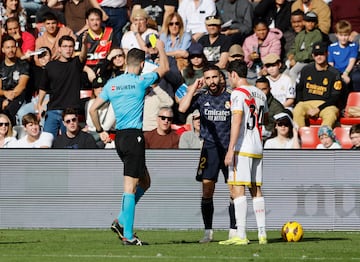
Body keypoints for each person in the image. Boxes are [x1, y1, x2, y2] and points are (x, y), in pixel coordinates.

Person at [89, 39, 169, 245]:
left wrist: (100, 130)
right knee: (130, 187)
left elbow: (92, 109)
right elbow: (165, 67)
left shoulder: (112, 84)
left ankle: (122, 221)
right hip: (134, 136)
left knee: (145, 182)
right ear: (141, 65)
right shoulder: (141, 81)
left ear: (125, 62)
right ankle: (129, 236)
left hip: (120, 138)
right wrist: (159, 46)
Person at [178, 65, 235, 243]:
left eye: (214, 77)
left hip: (228, 148)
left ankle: (234, 230)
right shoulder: (202, 98)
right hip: (209, 149)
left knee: (234, 190)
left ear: (221, 78)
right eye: (208, 78)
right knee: (207, 190)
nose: (211, 81)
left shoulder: (231, 98)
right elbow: (182, 108)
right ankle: (208, 232)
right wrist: (194, 86)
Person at [220, 60, 268, 245]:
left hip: (243, 146)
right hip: (258, 145)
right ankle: (262, 234)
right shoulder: (260, 93)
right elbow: (265, 118)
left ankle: (241, 235)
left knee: (237, 188)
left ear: (233, 74)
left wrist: (231, 149)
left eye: (229, 76)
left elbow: (237, 120)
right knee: (256, 189)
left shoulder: (238, 94)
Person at [37, 34, 88, 138]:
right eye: (65, 46)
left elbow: (83, 56)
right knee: (47, 140)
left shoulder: (76, 63)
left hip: (70, 112)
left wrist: (84, 44)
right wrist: (39, 104)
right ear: (59, 49)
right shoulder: (50, 66)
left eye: (71, 46)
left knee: (68, 143)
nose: (68, 49)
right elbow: (43, 87)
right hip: (53, 110)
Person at [293, 41, 343, 128]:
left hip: (327, 105)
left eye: (321, 54)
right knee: (297, 109)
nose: (319, 57)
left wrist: (318, 108)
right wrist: (300, 102)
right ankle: (301, 137)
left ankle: (325, 138)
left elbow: (335, 97)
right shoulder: (306, 69)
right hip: (307, 103)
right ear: (312, 55)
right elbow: (299, 89)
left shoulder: (334, 73)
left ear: (327, 53)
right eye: (316, 54)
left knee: (331, 114)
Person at [79, 8, 118, 86]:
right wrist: (87, 70)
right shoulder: (82, 37)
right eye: (92, 20)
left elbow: (116, 52)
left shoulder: (110, 34)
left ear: (101, 20)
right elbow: (76, 60)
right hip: (86, 74)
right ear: (87, 21)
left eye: (97, 19)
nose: (95, 23)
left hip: (107, 73)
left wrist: (104, 67)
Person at [0, 35, 30, 126]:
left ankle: (12, 136)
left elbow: (22, 86)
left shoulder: (23, 64)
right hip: (4, 95)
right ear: (3, 49)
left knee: (9, 110)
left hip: (18, 97)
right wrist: (5, 94)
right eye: (8, 47)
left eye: (13, 47)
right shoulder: (0, 67)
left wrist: (8, 99)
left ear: (16, 48)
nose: (11, 50)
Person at [242, 19, 283, 84]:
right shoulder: (248, 40)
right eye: (259, 30)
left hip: (268, 69)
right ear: (254, 30)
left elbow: (274, 57)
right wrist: (249, 57)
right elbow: (244, 56)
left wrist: (265, 69)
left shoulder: (274, 40)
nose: (261, 32)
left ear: (268, 29)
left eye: (264, 30)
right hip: (251, 69)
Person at [286, 11, 323, 83]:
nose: (310, 24)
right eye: (308, 21)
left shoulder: (317, 34)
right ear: (304, 22)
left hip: (308, 61)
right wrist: (290, 55)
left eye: (313, 22)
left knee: (293, 72)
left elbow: (310, 52)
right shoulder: (301, 34)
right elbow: (294, 47)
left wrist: (296, 59)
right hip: (298, 60)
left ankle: (294, 92)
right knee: (285, 75)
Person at [328, 20, 359, 92]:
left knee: (355, 78)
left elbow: (352, 61)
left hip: (349, 71)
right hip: (336, 72)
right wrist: (337, 76)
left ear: (349, 35)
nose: (343, 38)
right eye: (341, 35)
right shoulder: (332, 47)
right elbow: (331, 64)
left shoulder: (353, 46)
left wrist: (345, 74)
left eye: (346, 35)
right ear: (336, 35)